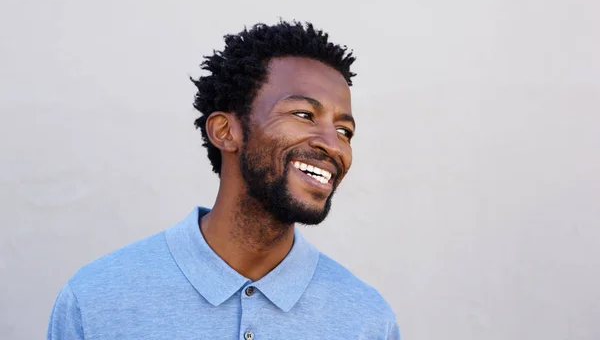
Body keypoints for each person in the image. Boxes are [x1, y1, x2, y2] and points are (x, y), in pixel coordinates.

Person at [47, 21, 400, 339]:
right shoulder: (95, 302)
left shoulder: (368, 322)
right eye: (303, 114)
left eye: (344, 130)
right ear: (226, 131)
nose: (333, 144)